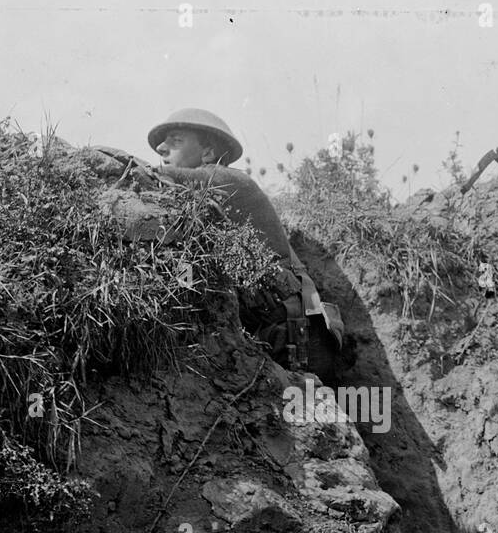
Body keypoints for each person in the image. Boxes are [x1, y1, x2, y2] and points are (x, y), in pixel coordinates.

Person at [94, 109, 343, 379]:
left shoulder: (229, 181)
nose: (162, 148)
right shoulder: (201, 203)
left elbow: (154, 175)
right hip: (277, 328)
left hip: (298, 334)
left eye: (176, 141)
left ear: (208, 153)